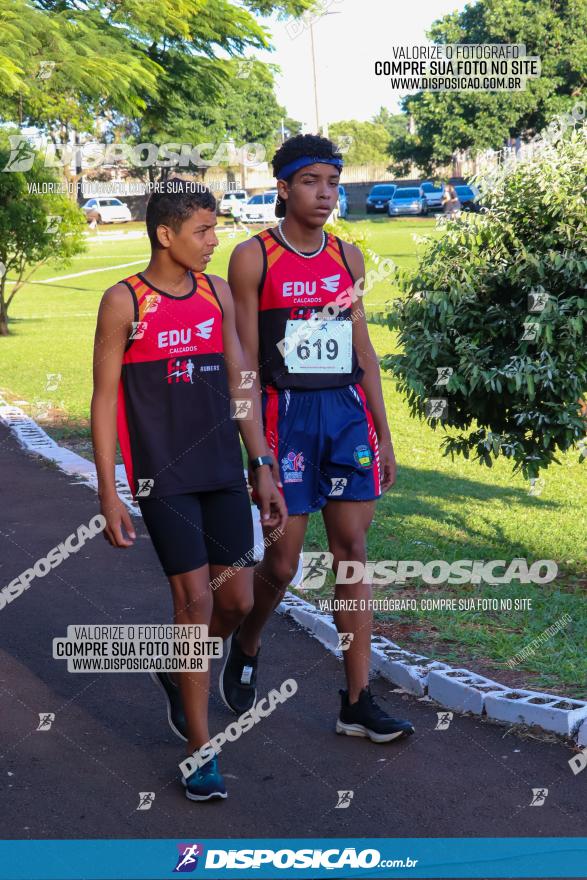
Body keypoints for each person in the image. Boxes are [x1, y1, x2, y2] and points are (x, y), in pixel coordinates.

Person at [91, 178, 287, 802]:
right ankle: (200, 751)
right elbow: (102, 400)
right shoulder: (124, 301)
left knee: (235, 602)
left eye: (216, 227)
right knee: (196, 603)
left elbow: (240, 379)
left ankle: (182, 673)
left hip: (222, 470)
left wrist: (261, 461)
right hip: (162, 478)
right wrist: (109, 490)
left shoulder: (217, 293)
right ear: (164, 234)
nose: (213, 240)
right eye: (203, 230)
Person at [221, 134, 415, 743]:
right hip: (286, 416)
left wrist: (383, 434)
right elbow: (246, 364)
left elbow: (365, 352)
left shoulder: (348, 258)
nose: (325, 193)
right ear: (283, 188)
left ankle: (357, 700)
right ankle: (249, 640)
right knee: (281, 561)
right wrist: (258, 455)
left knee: (352, 552)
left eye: (332, 181)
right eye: (311, 181)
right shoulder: (254, 258)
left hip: (345, 413)